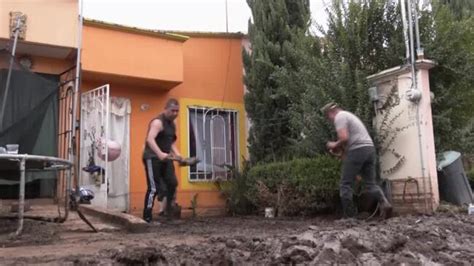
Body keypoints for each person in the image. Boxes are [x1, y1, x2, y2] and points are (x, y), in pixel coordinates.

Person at [321, 102, 392, 219]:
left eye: (328, 117)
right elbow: (347, 146)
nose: (330, 120)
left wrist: (333, 145)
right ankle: (385, 203)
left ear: (330, 112)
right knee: (370, 184)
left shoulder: (340, 116)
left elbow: (344, 138)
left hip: (358, 150)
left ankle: (350, 217)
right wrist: (339, 151)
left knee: (345, 185)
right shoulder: (349, 116)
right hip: (369, 149)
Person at [142, 98, 181, 223]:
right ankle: (147, 217)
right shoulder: (158, 122)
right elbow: (150, 139)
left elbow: (171, 143)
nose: (175, 113)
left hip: (166, 158)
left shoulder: (172, 125)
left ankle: (167, 213)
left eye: (177, 111)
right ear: (166, 109)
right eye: (172, 111)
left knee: (172, 183)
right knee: (154, 188)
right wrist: (159, 154)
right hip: (152, 157)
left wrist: (179, 156)